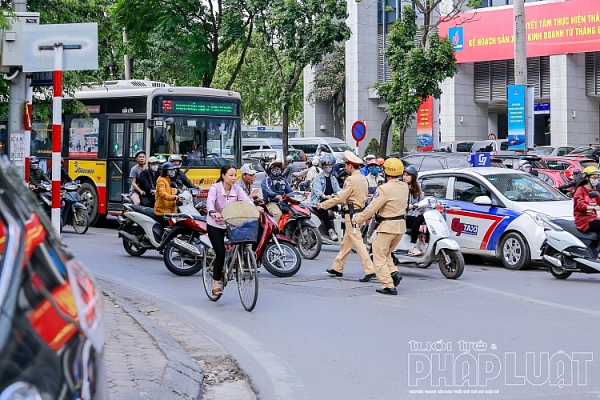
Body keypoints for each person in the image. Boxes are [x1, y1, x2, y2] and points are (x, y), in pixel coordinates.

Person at [316, 150, 376, 282]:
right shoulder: (363, 179)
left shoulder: (351, 179)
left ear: (350, 166)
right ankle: (337, 267)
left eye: (347, 165)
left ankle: (370, 269)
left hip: (352, 215)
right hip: (360, 213)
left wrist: (323, 205)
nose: (346, 167)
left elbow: (340, 197)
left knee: (358, 243)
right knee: (346, 243)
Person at [353, 158, 408, 295]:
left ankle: (388, 285)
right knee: (386, 253)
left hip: (387, 226)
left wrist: (358, 218)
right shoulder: (404, 187)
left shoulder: (383, 189)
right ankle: (394, 273)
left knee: (378, 256)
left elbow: (372, 209)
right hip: (400, 227)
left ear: (385, 171)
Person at [206, 165, 255, 296]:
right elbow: (210, 202)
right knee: (220, 253)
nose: (233, 178)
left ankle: (237, 260)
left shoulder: (237, 189)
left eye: (235, 175)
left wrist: (255, 210)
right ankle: (216, 283)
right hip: (215, 224)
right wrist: (212, 212)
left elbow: (246, 201)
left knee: (245, 240)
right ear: (223, 176)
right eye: (230, 175)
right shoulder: (215, 188)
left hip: (232, 223)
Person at [309, 156, 341, 240]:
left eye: (330, 165)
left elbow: (338, 190)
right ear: (322, 166)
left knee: (343, 209)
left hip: (331, 201)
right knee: (324, 210)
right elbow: (318, 191)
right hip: (318, 202)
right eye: (326, 165)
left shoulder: (333, 178)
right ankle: (330, 230)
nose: (328, 167)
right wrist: (325, 196)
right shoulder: (318, 178)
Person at [573, 167, 600, 245]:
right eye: (594, 177)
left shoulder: (594, 190)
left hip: (593, 218)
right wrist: (593, 207)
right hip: (583, 220)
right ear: (587, 178)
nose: (596, 180)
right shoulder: (580, 190)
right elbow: (580, 205)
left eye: (597, 178)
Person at [403, 165, 426, 255]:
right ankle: (412, 246)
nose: (405, 177)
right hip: (403, 215)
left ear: (413, 177)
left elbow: (422, 202)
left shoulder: (418, 188)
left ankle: (424, 244)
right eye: (404, 175)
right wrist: (407, 206)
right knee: (416, 220)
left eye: (407, 175)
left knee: (425, 218)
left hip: (414, 214)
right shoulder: (401, 187)